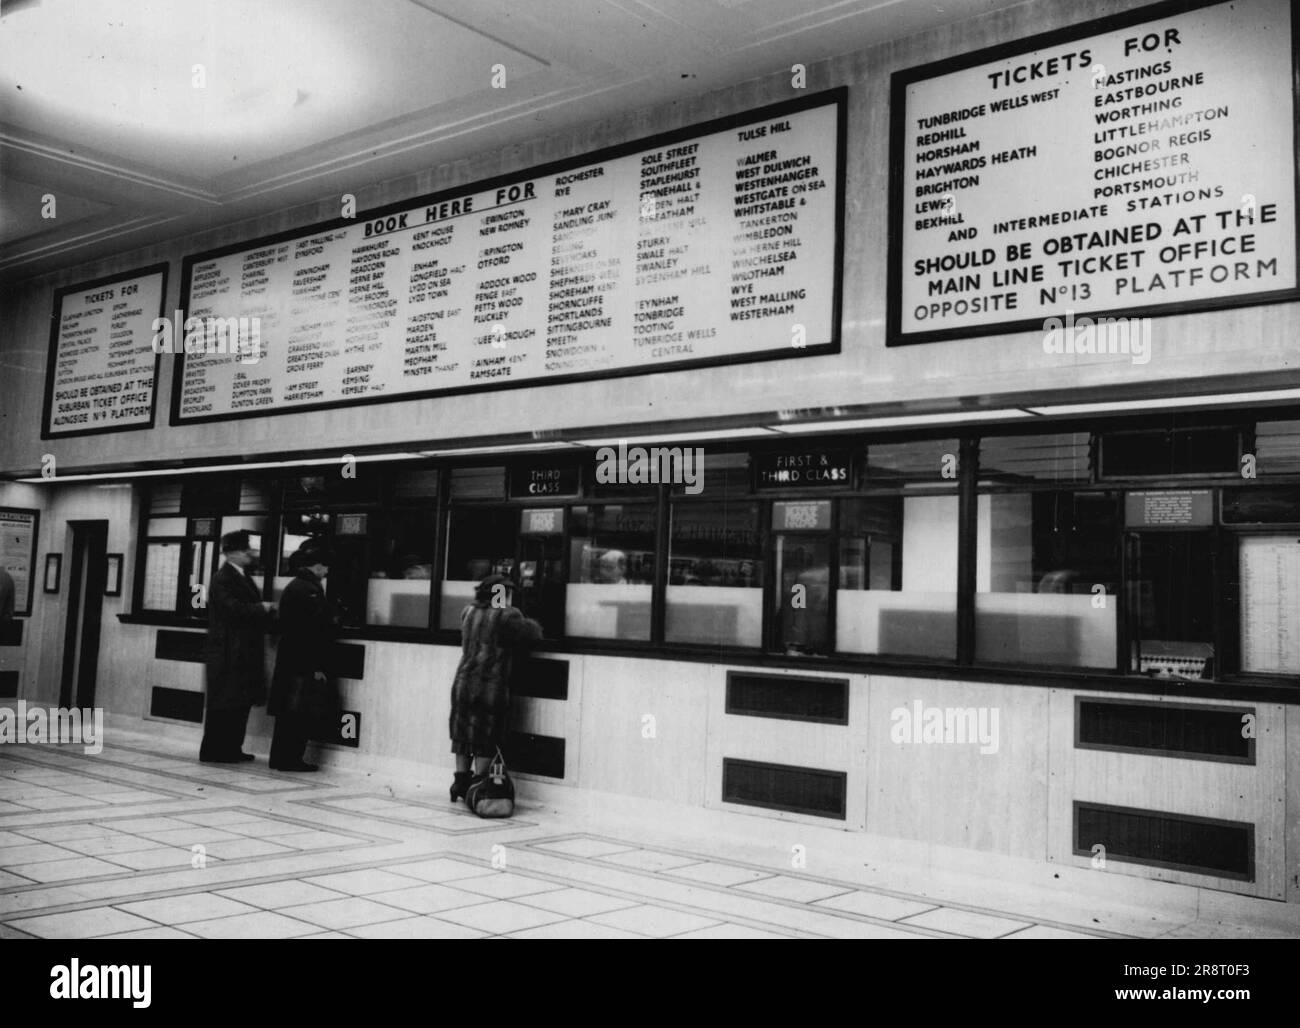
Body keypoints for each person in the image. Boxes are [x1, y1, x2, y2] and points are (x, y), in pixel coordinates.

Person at [448, 574, 542, 803]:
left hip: (463, 682)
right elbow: (532, 635)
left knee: (462, 735)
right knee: (485, 737)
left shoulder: (468, 611)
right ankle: (478, 785)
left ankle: (459, 782)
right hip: (490, 686)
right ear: (502, 593)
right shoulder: (507, 615)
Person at [200, 530, 275, 763]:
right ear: (231, 553)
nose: (251, 554)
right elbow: (232, 609)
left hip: (240, 652)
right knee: (225, 704)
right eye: (246, 551)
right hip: (227, 653)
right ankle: (215, 750)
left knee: (238, 703)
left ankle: (232, 748)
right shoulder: (222, 578)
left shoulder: (242, 575)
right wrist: (261, 608)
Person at [269, 541, 340, 772]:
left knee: (287, 714)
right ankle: (290, 759)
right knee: (297, 713)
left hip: (291, 659)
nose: (328, 571)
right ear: (317, 566)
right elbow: (314, 631)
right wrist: (317, 666)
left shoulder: (296, 585)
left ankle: (279, 758)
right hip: (301, 663)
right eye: (326, 567)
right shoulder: (309, 589)